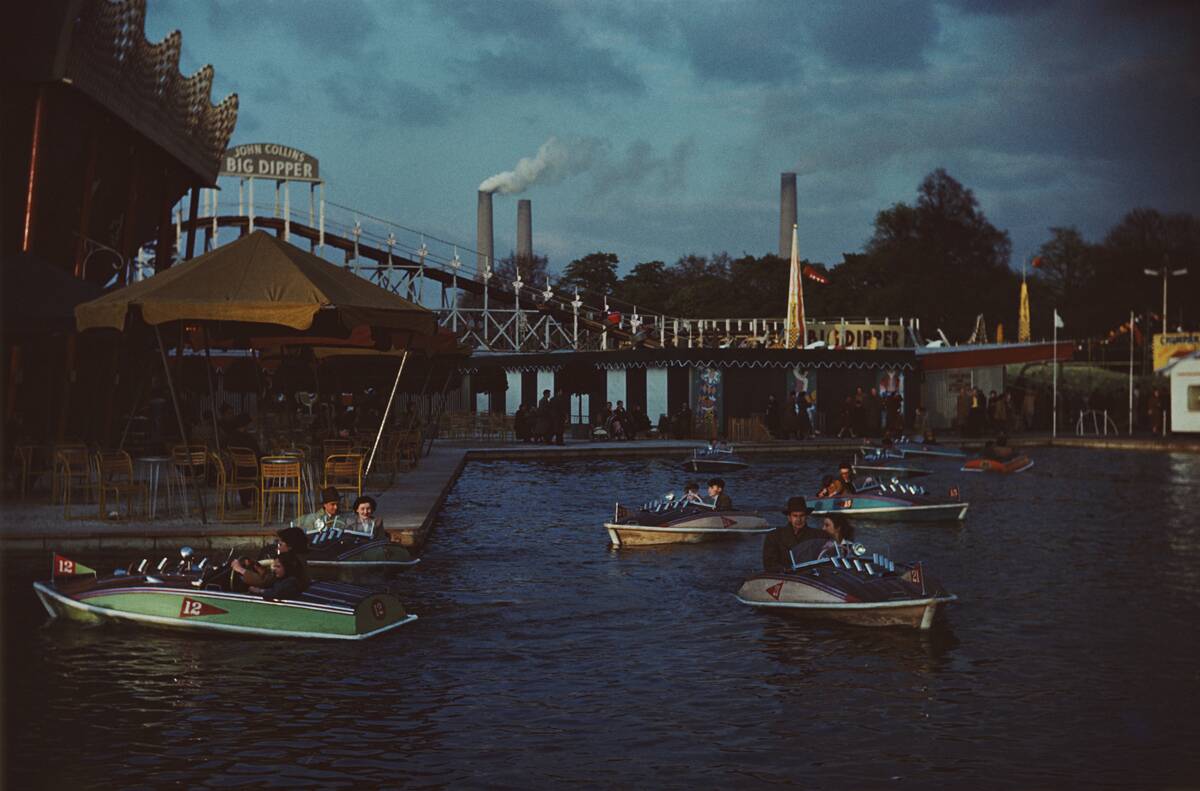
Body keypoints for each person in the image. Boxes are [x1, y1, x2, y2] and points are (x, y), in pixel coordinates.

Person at [762, 496, 828, 572]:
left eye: (802, 515)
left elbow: (826, 559)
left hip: (811, 576)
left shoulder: (819, 535)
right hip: (785, 577)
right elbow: (769, 564)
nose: (798, 520)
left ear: (806, 517)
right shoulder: (774, 536)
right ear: (789, 517)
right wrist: (784, 569)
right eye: (795, 516)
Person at [232, 525, 309, 589]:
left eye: (281, 544)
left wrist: (240, 569)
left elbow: (265, 582)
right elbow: (271, 577)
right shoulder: (299, 558)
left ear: (290, 546)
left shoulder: (288, 561)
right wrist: (257, 566)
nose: (278, 546)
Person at [788, 514, 856, 564]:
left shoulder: (850, 546)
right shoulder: (822, 544)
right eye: (824, 525)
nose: (823, 528)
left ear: (838, 528)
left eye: (827, 525)